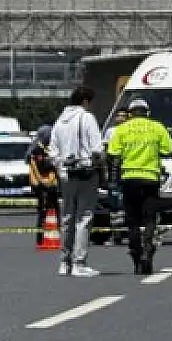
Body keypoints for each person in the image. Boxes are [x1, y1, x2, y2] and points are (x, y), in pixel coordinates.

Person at [106, 97, 172, 275]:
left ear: (130, 113)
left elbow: (113, 153)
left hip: (129, 179)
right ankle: (147, 247)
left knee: (133, 220)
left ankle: (135, 251)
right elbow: (168, 151)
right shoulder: (158, 128)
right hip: (151, 178)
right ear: (147, 112)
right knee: (150, 218)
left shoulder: (121, 130)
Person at [48, 86, 103, 277]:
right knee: (84, 217)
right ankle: (79, 262)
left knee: (67, 218)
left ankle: (64, 262)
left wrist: (62, 166)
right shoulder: (87, 118)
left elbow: (52, 151)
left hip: (66, 174)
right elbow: (97, 148)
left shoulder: (59, 121)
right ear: (86, 101)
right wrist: (98, 165)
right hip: (85, 173)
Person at [27, 125, 59, 247]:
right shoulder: (37, 149)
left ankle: (55, 234)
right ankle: (40, 238)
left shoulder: (50, 148)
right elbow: (42, 165)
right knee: (43, 211)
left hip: (51, 183)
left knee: (55, 210)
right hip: (41, 184)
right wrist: (53, 162)